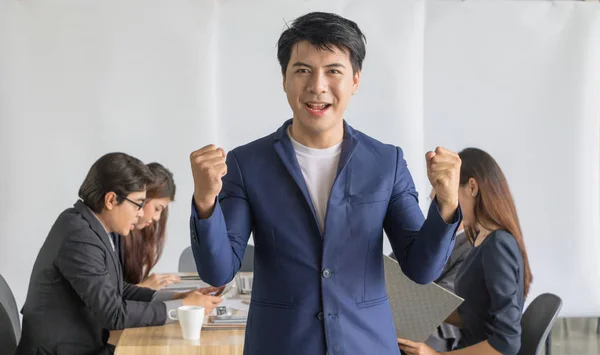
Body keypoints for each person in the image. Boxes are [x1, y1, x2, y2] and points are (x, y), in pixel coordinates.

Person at [188, 12, 462, 355]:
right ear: (284, 79)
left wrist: (448, 204)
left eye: (333, 71)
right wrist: (205, 201)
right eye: (302, 70)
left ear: (355, 81)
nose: (317, 86)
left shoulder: (385, 162)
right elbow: (218, 270)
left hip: (366, 345)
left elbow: (421, 268)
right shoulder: (247, 164)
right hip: (281, 345)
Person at [16, 153, 222, 355]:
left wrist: (176, 297)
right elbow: (114, 314)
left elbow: (117, 290)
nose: (141, 213)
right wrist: (182, 306)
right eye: (138, 204)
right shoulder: (79, 235)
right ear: (111, 200)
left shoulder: (90, 227)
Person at [397, 148, 533, 355]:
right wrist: (420, 308)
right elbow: (476, 313)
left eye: (450, 192)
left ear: (471, 187)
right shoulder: (482, 240)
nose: (446, 200)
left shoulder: (498, 245)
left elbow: (506, 344)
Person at [390, 188, 470, 352]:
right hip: (397, 314)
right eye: (434, 201)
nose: (436, 209)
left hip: (435, 330)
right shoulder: (422, 234)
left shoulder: (471, 247)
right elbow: (390, 266)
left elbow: (443, 299)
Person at [114, 162, 181, 290]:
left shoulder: (139, 235)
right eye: (157, 208)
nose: (157, 218)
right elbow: (108, 300)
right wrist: (143, 287)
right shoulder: (113, 233)